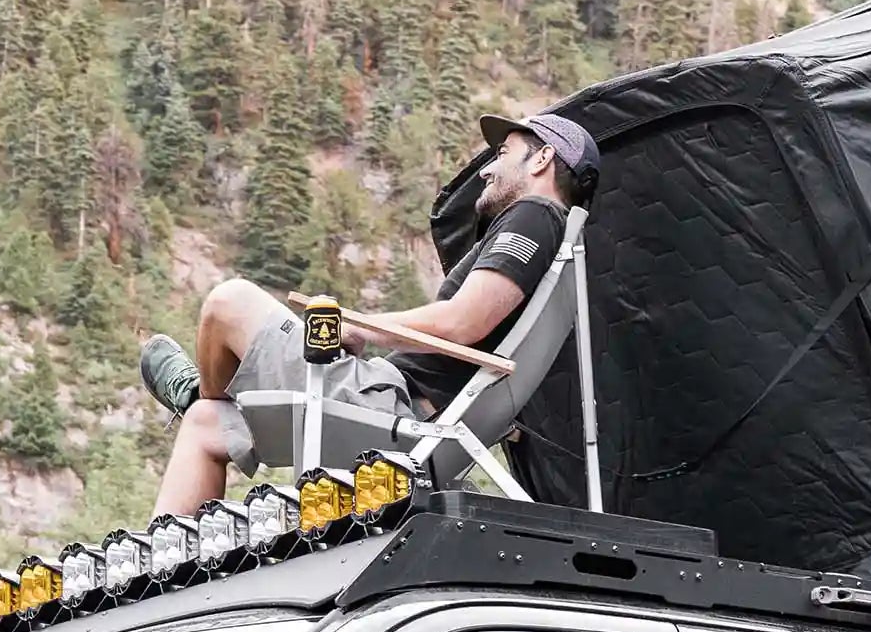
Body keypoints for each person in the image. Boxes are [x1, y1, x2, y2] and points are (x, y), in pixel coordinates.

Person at [142, 111, 600, 515]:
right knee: (206, 428)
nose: (487, 171)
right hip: (400, 412)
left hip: (391, 409)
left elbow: (465, 321)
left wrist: (359, 325)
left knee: (229, 301)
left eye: (503, 153)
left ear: (541, 160)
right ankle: (161, 586)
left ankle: (198, 393)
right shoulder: (558, 239)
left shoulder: (535, 215)